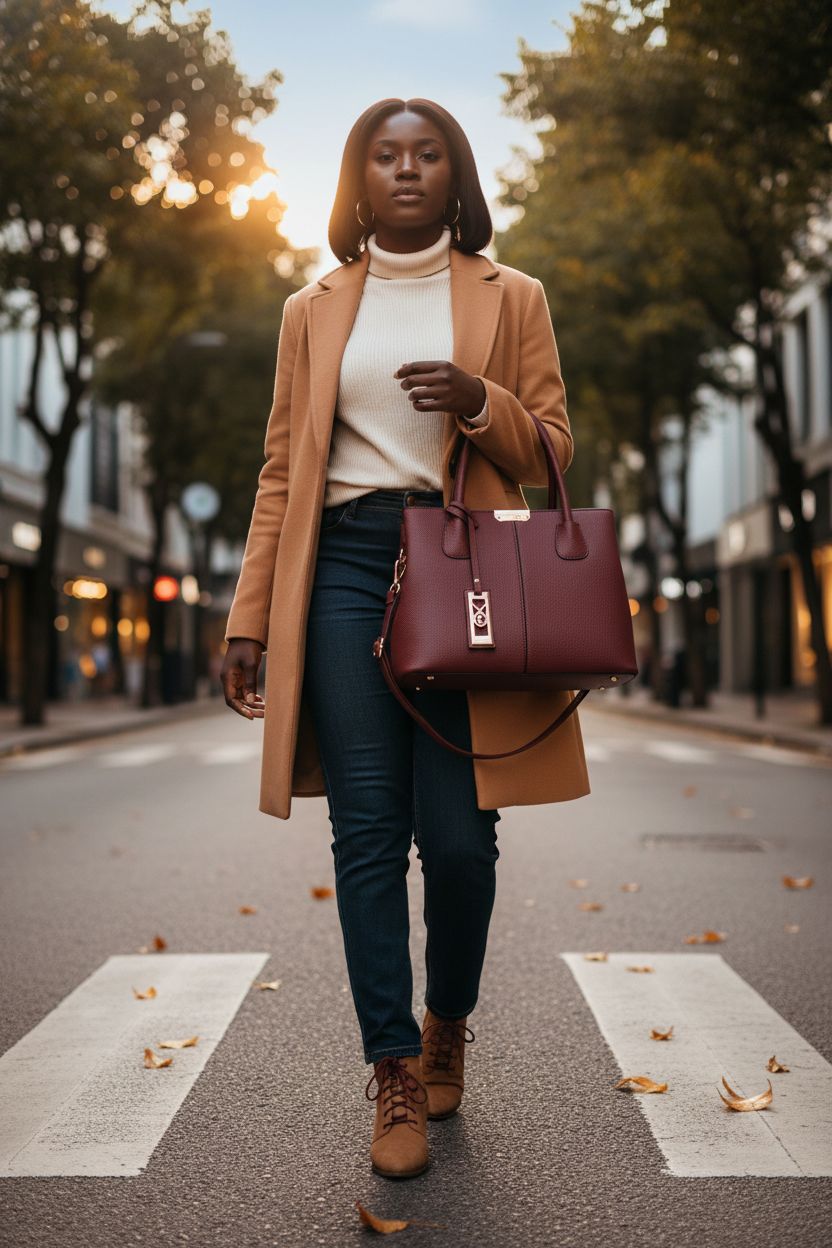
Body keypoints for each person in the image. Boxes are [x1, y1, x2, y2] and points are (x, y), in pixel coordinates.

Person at [221, 97, 589, 1181]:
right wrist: (250, 618)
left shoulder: (510, 295)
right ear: (359, 178)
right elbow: (283, 465)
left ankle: (448, 1021)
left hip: (462, 567)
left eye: (428, 153)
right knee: (367, 837)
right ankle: (390, 1070)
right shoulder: (313, 307)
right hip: (338, 568)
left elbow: (553, 447)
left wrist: (480, 401)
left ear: (454, 173)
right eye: (385, 155)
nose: (407, 169)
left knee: (463, 844)